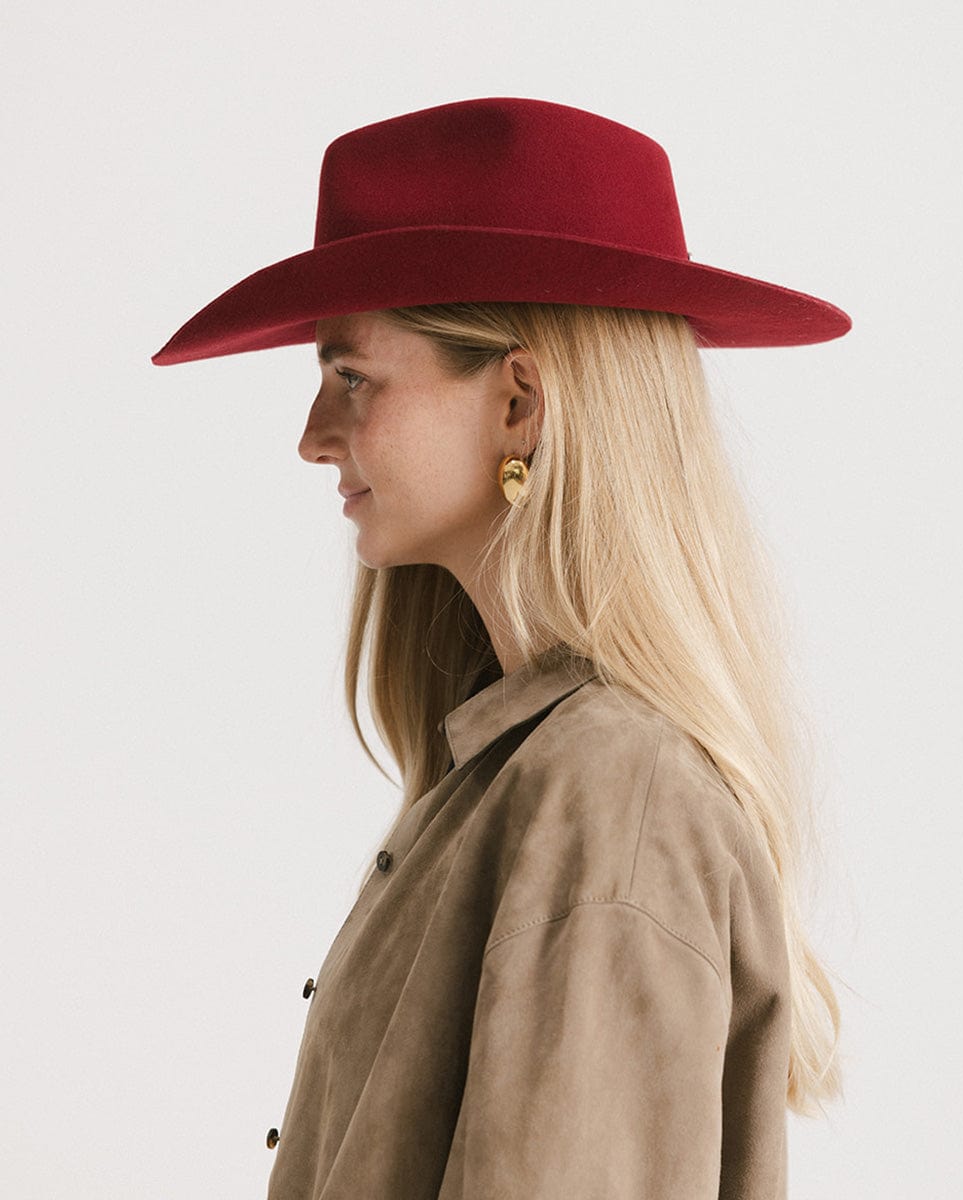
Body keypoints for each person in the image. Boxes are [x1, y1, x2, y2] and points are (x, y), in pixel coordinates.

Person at [152, 97, 851, 1200]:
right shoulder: (533, 773)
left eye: (351, 378)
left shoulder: (611, 798)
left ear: (519, 403)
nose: (310, 437)